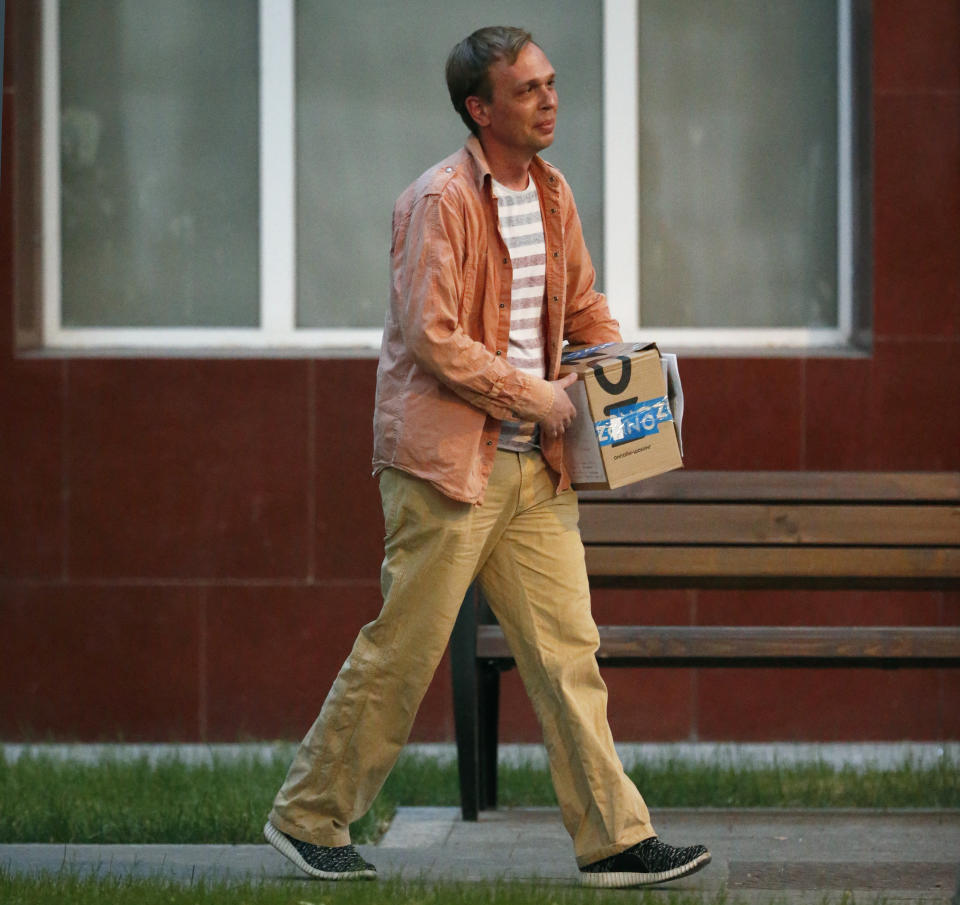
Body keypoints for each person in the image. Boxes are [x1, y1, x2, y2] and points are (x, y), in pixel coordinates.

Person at [263, 26, 711, 889]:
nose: (550, 99)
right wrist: (538, 397)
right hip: (445, 469)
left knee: (566, 652)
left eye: (551, 83)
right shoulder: (440, 201)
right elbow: (433, 338)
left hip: (535, 473)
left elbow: (580, 304)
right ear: (481, 108)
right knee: (406, 649)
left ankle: (616, 837)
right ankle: (307, 814)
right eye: (528, 89)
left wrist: (616, 376)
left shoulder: (552, 193)